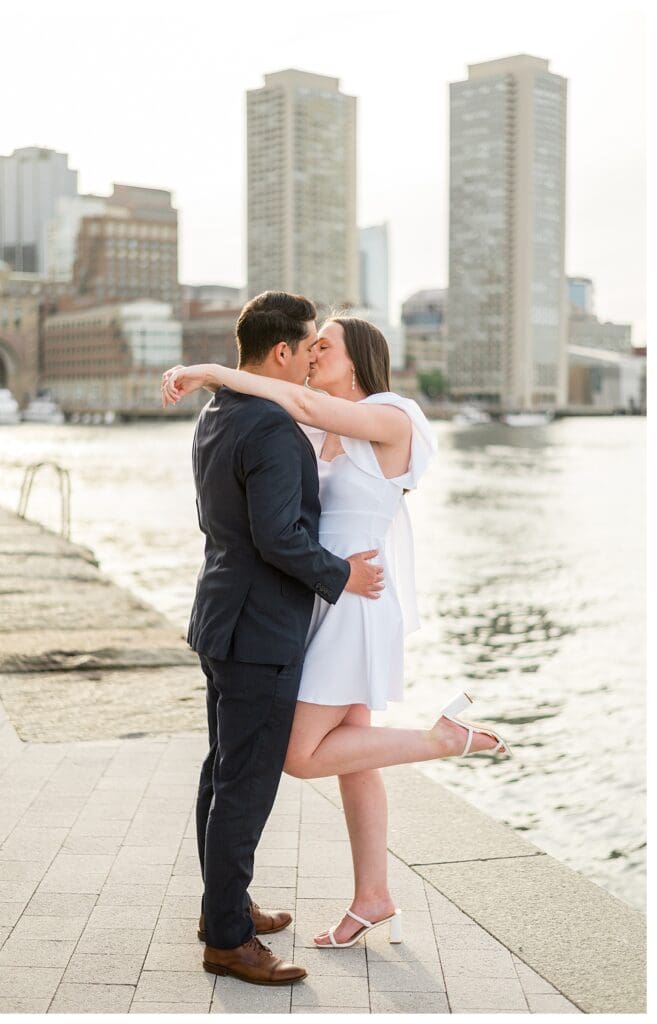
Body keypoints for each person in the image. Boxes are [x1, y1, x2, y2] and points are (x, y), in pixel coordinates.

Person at [162, 307, 511, 955]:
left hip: (353, 597)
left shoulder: (391, 415)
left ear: (359, 359)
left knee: (297, 754)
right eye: (310, 344)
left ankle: (441, 739)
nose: (314, 353)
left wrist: (216, 372)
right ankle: (372, 897)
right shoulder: (310, 421)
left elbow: (292, 395)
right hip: (319, 595)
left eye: (326, 345)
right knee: (355, 753)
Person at [165, 292, 386, 986]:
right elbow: (278, 537)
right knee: (245, 784)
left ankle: (222, 908)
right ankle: (228, 940)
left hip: (221, 615)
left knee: (222, 771)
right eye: (309, 344)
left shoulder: (219, 413)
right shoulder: (269, 426)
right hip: (258, 629)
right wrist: (341, 575)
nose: (314, 355)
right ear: (283, 351)